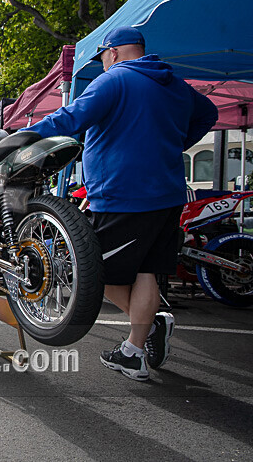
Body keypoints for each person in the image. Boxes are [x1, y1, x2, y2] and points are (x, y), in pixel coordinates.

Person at [25, 26, 218, 381]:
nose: (101, 65)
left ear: (112, 53)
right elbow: (209, 114)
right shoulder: (173, 83)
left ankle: (149, 327)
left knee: (94, 272)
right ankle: (134, 349)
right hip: (168, 193)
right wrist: (175, 141)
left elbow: (71, 118)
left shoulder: (113, 81)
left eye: (101, 59)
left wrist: (24, 135)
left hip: (122, 194)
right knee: (147, 271)